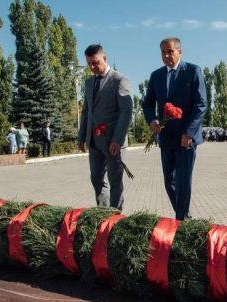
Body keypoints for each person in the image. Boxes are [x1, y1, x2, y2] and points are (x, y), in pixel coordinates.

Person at [142, 37, 207, 220]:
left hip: (186, 139)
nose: (167, 55)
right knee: (169, 182)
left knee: (183, 182)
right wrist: (152, 120)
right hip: (166, 137)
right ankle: (185, 218)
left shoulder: (193, 71)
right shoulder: (156, 76)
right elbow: (148, 104)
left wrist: (189, 132)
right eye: (163, 52)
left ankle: (181, 222)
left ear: (180, 51)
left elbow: (201, 105)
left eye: (170, 51)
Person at [77, 44, 133, 210]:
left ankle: (115, 218)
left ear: (105, 58)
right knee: (96, 179)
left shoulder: (119, 80)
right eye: (89, 64)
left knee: (115, 181)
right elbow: (87, 111)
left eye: (96, 62)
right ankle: (103, 213)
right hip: (94, 141)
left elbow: (126, 112)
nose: (93, 67)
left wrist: (117, 139)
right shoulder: (89, 83)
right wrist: (81, 137)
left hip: (113, 142)